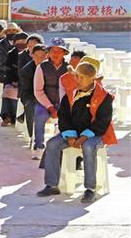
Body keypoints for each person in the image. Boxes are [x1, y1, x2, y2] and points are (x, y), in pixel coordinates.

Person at [37, 59, 116, 203]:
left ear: (92, 79)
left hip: (95, 134)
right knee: (52, 144)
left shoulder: (104, 97)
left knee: (88, 147)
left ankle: (90, 189)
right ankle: (51, 184)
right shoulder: (71, 93)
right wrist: (70, 135)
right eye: (76, 76)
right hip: (73, 132)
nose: (77, 80)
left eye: (82, 77)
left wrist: (84, 137)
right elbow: (64, 116)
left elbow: (102, 121)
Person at [32, 37, 69, 159]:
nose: (55, 54)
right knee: (40, 115)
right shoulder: (41, 67)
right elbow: (38, 91)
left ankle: (62, 148)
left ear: (64, 53)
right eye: (53, 50)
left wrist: (62, 106)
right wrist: (50, 107)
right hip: (45, 102)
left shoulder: (69, 68)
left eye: (59, 51)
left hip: (64, 103)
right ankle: (38, 145)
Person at [18, 44, 47, 148]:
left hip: (48, 97)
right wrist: (39, 99)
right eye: (37, 56)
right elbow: (27, 90)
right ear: (32, 56)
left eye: (43, 56)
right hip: (31, 96)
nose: (40, 59)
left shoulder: (50, 67)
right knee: (31, 107)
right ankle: (34, 137)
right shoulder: (27, 70)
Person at [0, 32, 28, 127]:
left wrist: (21, 82)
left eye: (23, 41)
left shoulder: (30, 54)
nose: (21, 43)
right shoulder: (11, 54)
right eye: (18, 41)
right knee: (8, 90)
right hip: (14, 81)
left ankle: (18, 115)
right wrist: (13, 81)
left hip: (27, 82)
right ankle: (7, 116)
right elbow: (8, 70)